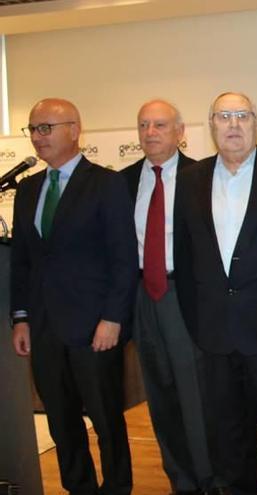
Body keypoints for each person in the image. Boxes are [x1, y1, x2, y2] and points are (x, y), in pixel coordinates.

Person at [175, 92, 257, 495]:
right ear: (211, 124)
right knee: (228, 434)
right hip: (215, 332)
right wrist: (197, 324)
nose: (233, 124)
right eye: (224, 116)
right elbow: (186, 254)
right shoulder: (190, 179)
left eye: (242, 116)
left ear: (255, 123)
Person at [10, 98, 138, 495]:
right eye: (33, 129)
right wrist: (21, 317)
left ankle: (116, 487)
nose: (38, 137)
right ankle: (78, 487)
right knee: (61, 422)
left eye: (46, 128)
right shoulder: (29, 189)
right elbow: (23, 262)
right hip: (45, 329)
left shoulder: (105, 183)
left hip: (94, 327)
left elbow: (123, 257)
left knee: (105, 420)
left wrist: (113, 318)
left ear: (74, 129)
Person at [119, 99, 212, 494]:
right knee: (158, 395)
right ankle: (181, 480)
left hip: (183, 296)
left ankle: (210, 479)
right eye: (144, 125)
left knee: (196, 397)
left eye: (160, 125)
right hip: (142, 296)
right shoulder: (121, 182)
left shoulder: (202, 177)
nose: (151, 133)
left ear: (180, 132)